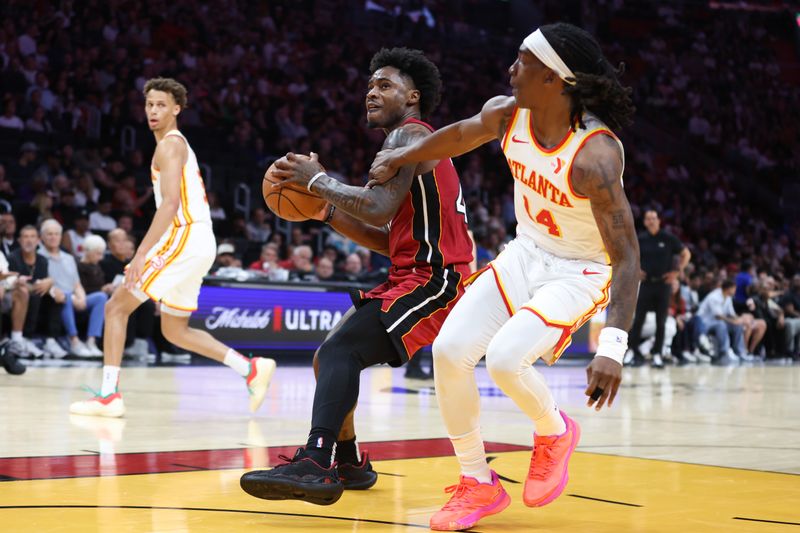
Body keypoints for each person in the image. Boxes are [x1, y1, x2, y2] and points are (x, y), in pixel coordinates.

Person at [368, 23, 640, 530]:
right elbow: (459, 134)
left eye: (523, 62)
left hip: (579, 269)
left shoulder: (595, 157)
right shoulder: (506, 113)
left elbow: (627, 257)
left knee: (506, 359)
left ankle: (554, 430)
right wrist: (402, 156)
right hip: (525, 252)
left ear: (556, 80)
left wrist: (612, 348)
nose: (512, 70)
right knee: (449, 352)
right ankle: (477, 483)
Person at [240, 48, 473, 506]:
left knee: (340, 350)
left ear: (413, 96)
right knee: (329, 356)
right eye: (369, 85)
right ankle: (347, 462)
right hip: (414, 271)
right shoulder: (406, 142)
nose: (371, 92)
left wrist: (316, 181)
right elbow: (390, 238)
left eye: (384, 85)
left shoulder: (409, 134)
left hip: (437, 278)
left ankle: (316, 460)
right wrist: (326, 210)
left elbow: (378, 207)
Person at [69, 78, 275, 417]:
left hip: (185, 234)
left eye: (161, 105)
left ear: (177, 108)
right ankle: (250, 369)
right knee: (173, 329)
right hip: (198, 239)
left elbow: (169, 206)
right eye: (149, 104)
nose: (153, 110)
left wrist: (139, 255)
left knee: (115, 307)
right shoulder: (174, 144)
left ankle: (109, 396)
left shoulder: (169, 144)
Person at [627, 209, 690, 368]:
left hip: (663, 284)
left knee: (661, 321)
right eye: (648, 219)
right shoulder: (641, 238)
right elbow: (629, 256)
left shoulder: (668, 238)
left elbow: (686, 254)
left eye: (654, 218)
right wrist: (636, 269)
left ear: (659, 220)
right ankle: (632, 352)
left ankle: (657, 354)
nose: (651, 221)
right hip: (647, 283)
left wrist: (676, 272)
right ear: (645, 222)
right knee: (638, 319)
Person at [40, 219, 106, 357]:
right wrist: (73, 296)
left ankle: (91, 341)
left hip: (73, 296)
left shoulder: (69, 258)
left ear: (61, 236)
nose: (53, 237)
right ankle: (74, 341)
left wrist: (81, 297)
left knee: (101, 297)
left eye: (57, 234)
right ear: (42, 237)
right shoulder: (39, 256)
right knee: (66, 295)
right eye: (49, 234)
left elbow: (77, 284)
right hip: (55, 298)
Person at [6, 225, 63, 358]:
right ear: (19, 240)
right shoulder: (12, 258)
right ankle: (25, 339)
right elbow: (13, 283)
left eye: (32, 237)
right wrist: (44, 284)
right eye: (25, 237)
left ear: (38, 240)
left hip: (35, 294)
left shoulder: (42, 260)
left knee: (58, 296)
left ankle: (51, 340)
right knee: (33, 294)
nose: (29, 240)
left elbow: (43, 281)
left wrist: (50, 283)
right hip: (17, 296)